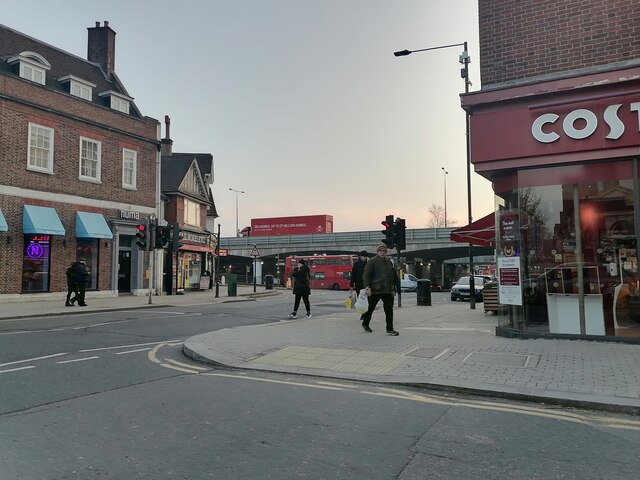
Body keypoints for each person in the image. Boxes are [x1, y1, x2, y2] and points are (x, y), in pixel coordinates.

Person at [361, 244, 400, 336]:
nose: (382, 252)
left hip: (387, 290)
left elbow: (391, 276)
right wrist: (367, 287)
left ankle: (390, 329)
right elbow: (366, 275)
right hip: (375, 289)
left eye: (384, 251)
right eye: (381, 251)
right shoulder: (372, 261)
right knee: (370, 309)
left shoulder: (388, 262)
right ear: (377, 252)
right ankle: (365, 323)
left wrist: (393, 289)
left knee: (389, 310)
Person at [350, 250, 369, 319]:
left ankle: (366, 313)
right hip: (359, 285)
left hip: (367, 285)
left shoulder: (368, 264)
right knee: (360, 300)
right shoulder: (356, 264)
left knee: (367, 299)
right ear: (360, 256)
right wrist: (351, 285)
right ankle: (362, 314)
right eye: (363, 256)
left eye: (365, 257)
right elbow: (353, 275)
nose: (364, 258)